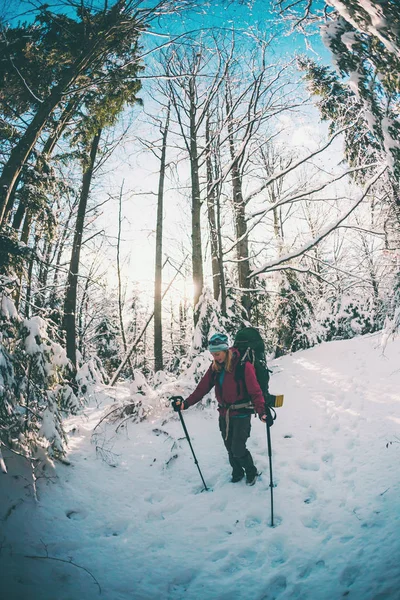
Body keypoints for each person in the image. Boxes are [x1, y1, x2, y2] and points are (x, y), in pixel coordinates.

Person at [173, 333, 267, 486]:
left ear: (226, 350)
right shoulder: (215, 367)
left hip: (241, 414)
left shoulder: (243, 365)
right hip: (224, 413)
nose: (215, 357)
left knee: (238, 448)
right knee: (229, 447)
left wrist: (262, 411)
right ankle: (237, 472)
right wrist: (186, 404)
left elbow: (255, 391)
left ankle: (251, 471)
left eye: (217, 354)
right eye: (212, 354)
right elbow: (201, 388)